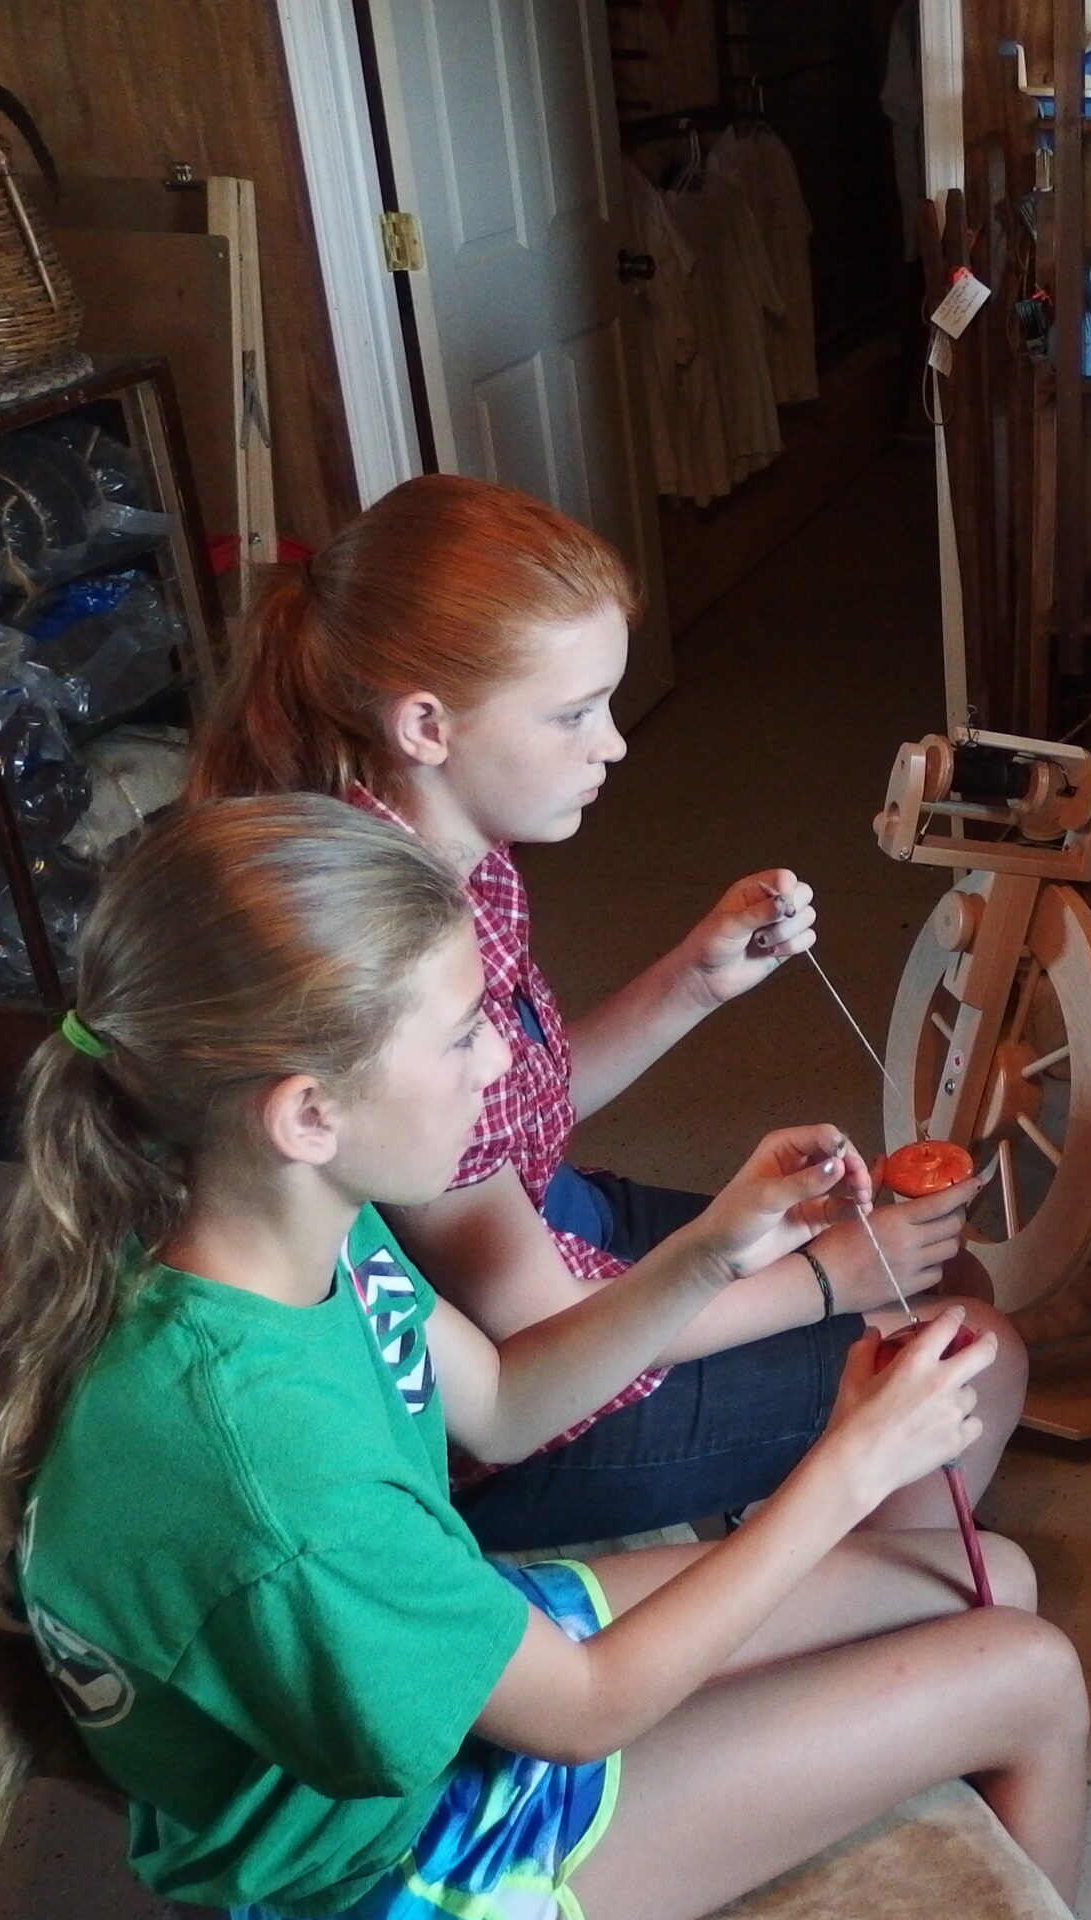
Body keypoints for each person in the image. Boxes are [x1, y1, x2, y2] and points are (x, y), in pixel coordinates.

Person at [0, 795, 1088, 1918]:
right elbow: (584, 1710)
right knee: (1026, 1671)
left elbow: (500, 1404)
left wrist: (712, 1250)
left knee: (999, 1580)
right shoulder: (267, 1472)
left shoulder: (276, 1216)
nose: (503, 1060)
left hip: (441, 1647)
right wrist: (848, 1464)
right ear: (305, 1113)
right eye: (458, 1035)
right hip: (378, 1863)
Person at [186, 477, 1024, 1550]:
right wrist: (819, 1280)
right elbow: (533, 1332)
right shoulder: (382, 956)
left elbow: (520, 1111)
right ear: (428, 723)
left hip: (544, 1235)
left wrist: (693, 979)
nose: (615, 744)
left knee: (941, 1270)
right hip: (508, 1411)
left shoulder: (456, 854)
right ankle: (836, 1621)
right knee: (969, 1347)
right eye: (574, 712)